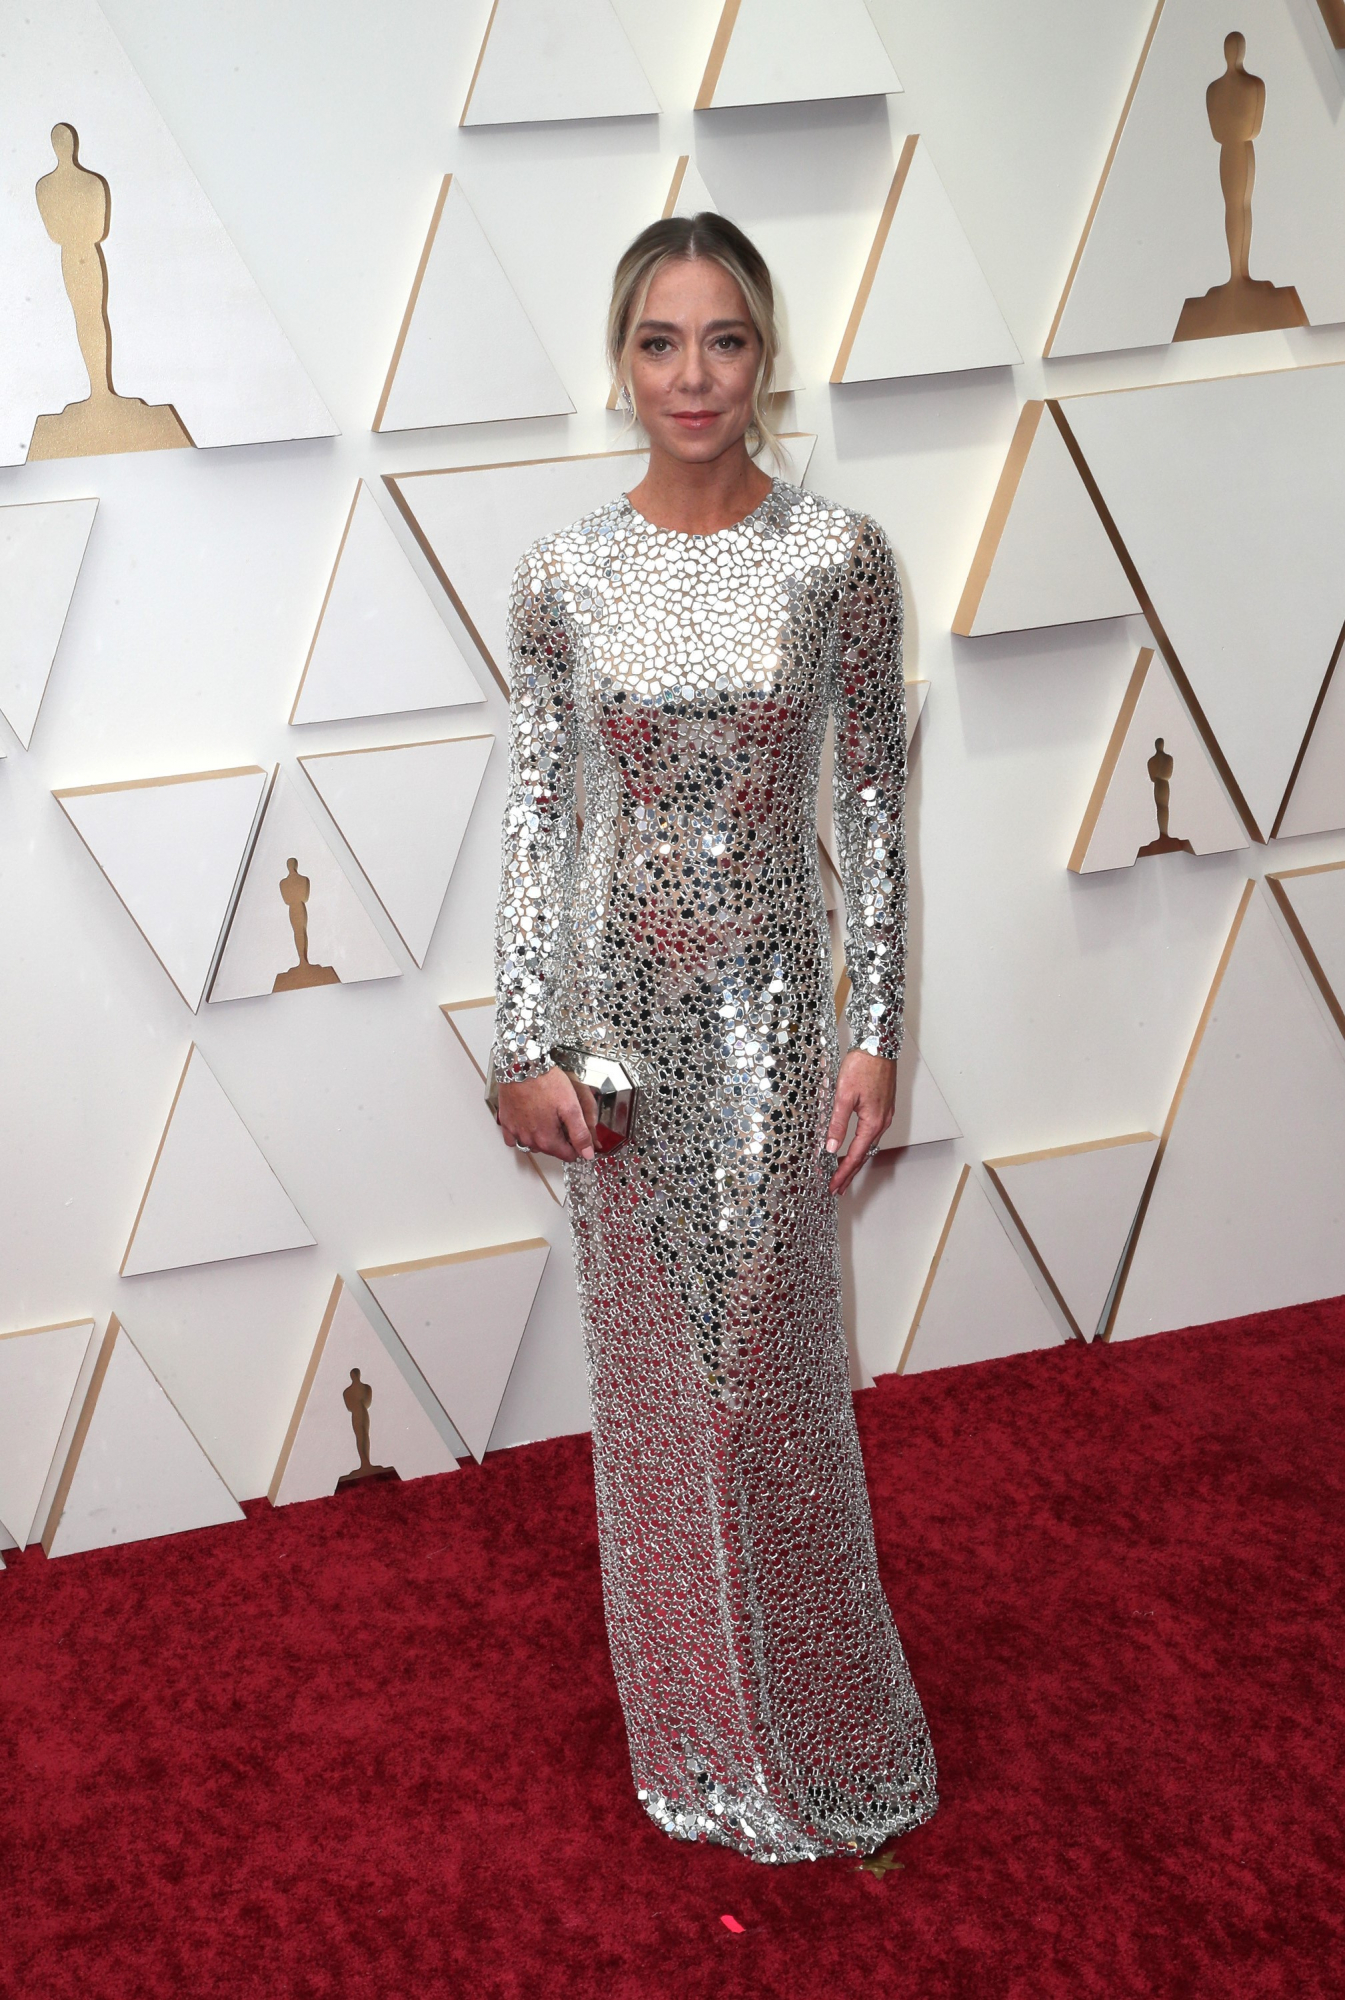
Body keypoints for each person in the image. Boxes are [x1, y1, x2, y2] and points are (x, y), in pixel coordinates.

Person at [490, 213, 937, 1864]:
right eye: (663, 341)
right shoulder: (561, 575)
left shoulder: (838, 558)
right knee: (663, 1397)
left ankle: (812, 1716)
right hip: (612, 1034)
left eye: (727, 339)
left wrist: (871, 1026)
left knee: (766, 1381)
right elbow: (541, 815)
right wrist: (519, 1036)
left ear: (767, 357)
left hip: (766, 1027)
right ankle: (693, 1733)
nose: (695, 375)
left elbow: (876, 807)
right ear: (622, 362)